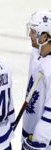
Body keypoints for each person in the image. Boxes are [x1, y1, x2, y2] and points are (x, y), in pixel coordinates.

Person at [21, 10, 51, 149]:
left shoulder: (49, 68)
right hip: (29, 128)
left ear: (44, 36)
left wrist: (40, 141)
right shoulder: (38, 54)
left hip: (41, 140)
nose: (30, 35)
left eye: (33, 32)